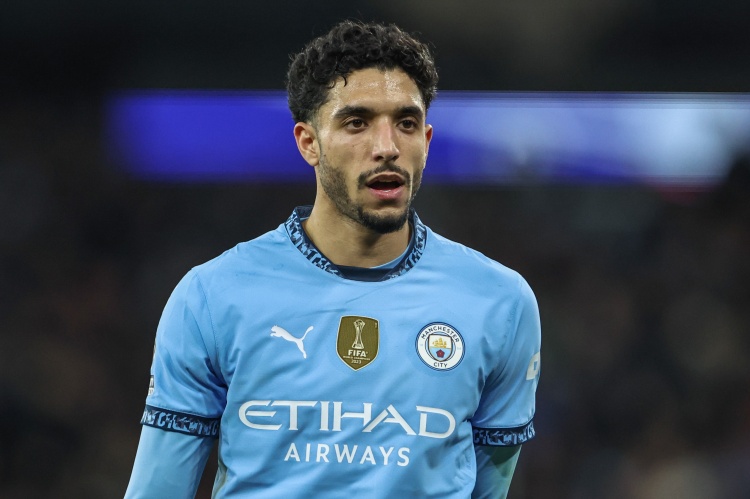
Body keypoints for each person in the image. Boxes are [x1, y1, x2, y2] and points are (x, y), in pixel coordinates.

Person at [125, 20, 541, 499]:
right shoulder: (212, 297)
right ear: (309, 143)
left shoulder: (500, 303)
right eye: (356, 122)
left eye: (406, 123)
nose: (387, 147)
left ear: (426, 140)